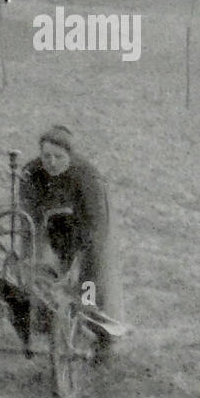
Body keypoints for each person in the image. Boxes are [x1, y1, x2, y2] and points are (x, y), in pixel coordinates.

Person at [17, 124, 122, 360]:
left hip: (87, 230)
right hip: (53, 228)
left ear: (70, 156)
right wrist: (30, 255)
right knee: (40, 278)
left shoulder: (87, 178)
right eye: (46, 156)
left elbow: (96, 227)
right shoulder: (31, 173)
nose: (51, 162)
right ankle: (45, 322)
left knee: (90, 287)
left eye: (58, 157)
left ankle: (102, 342)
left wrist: (81, 261)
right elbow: (27, 221)